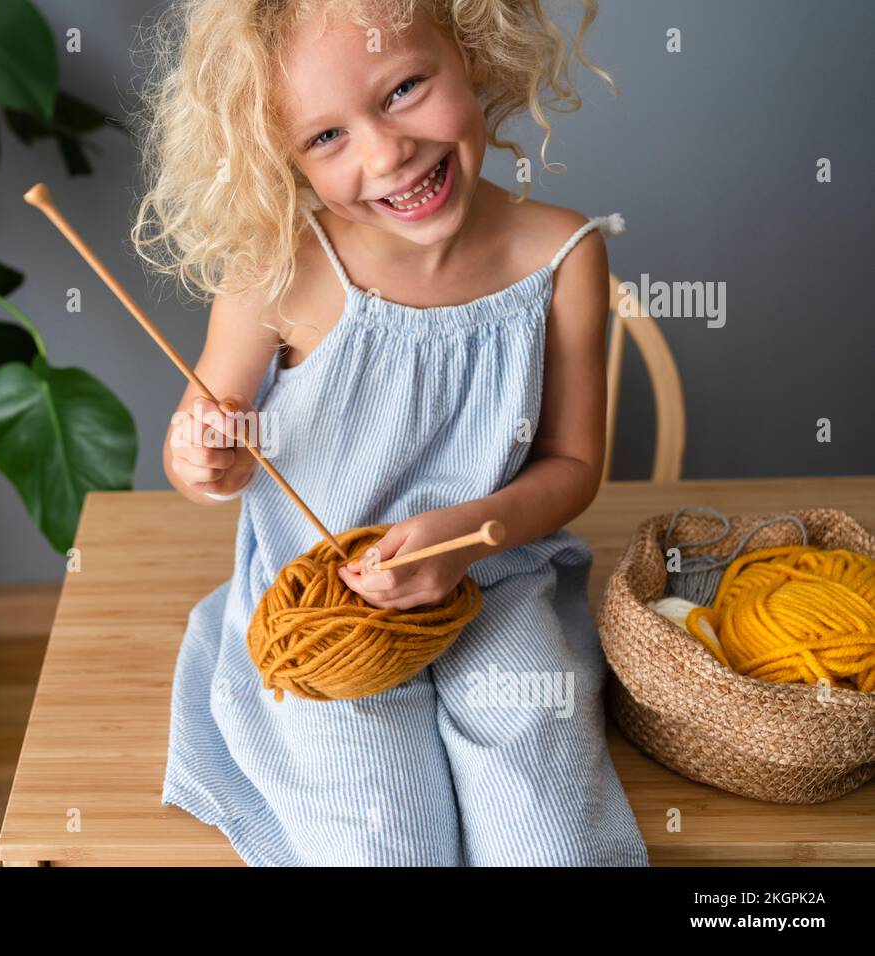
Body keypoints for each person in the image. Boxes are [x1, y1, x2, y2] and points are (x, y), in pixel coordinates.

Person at [130, 0, 649, 865]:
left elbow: (573, 466)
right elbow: (201, 438)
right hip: (321, 602)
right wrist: (204, 455)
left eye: (404, 87)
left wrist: (468, 535)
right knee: (382, 842)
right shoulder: (279, 269)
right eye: (324, 138)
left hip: (496, 580)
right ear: (279, 158)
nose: (385, 152)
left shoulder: (563, 255)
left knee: (550, 838)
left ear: (472, 51)